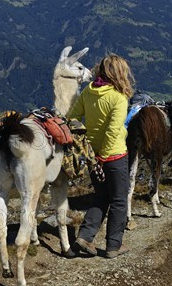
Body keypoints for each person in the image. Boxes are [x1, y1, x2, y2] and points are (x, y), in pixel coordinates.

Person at [68, 54, 134, 258]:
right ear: (121, 74)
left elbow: (72, 118)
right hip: (114, 156)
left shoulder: (89, 91)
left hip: (92, 155)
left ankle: (85, 237)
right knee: (119, 200)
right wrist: (105, 156)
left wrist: (90, 148)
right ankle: (114, 245)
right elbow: (113, 131)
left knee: (100, 197)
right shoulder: (119, 97)